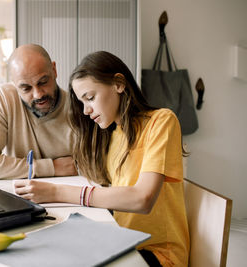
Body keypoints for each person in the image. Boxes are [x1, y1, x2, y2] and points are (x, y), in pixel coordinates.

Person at [14, 51, 190, 267]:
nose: (86, 110)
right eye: (81, 103)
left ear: (118, 84)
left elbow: (142, 199)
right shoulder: (113, 134)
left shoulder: (161, 121)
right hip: (122, 242)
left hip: (159, 254)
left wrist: (57, 192)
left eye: (90, 98)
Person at [0, 44, 77, 179]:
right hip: (18, 195)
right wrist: (52, 167)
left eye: (43, 82)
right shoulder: (4, 98)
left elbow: (94, 165)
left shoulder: (80, 109)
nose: (38, 94)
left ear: (54, 70)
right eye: (26, 88)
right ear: (15, 84)